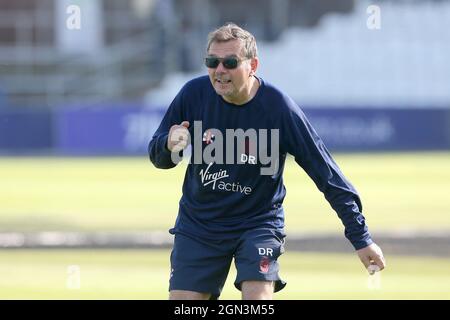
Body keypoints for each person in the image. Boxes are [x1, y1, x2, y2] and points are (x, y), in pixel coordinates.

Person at [148, 23, 385, 300]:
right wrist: (168, 144)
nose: (219, 70)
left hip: (257, 224)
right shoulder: (193, 94)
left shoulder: (278, 108)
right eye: (212, 62)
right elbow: (158, 155)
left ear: (253, 65)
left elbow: (327, 174)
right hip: (199, 225)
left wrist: (361, 237)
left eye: (230, 62)